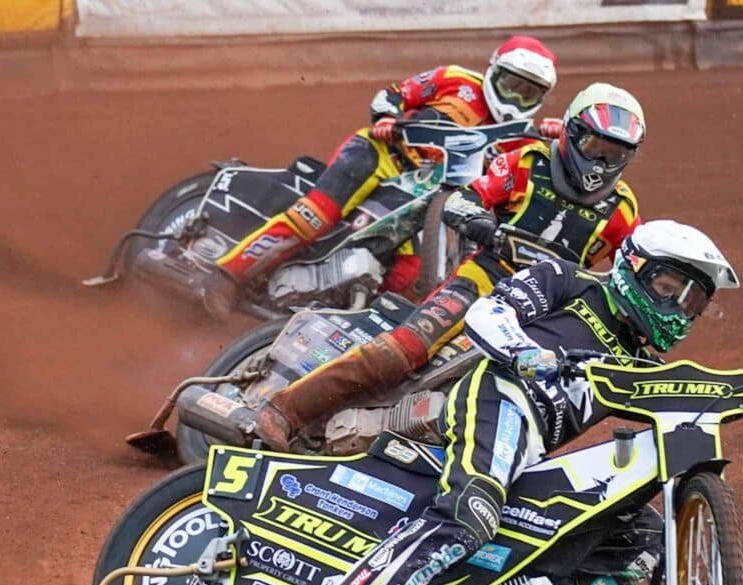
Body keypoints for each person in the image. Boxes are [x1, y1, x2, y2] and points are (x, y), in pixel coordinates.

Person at [283, 219, 743, 585]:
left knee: (640, 537)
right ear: (634, 268)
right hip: (499, 395)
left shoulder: (639, 362)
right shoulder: (568, 281)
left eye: (691, 302)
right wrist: (522, 350)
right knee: (470, 513)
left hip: (532, 447)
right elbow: (488, 312)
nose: (676, 308)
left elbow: (693, 393)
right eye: (669, 288)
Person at [252, 82, 647, 451]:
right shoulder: (527, 162)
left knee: (525, 399)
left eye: (615, 154)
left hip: (542, 314)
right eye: (595, 146)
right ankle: (284, 411)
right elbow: (465, 197)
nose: (601, 162)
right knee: (403, 350)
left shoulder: (622, 210)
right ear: (572, 132)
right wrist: (477, 220)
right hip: (484, 279)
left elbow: (634, 277)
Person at [203, 36, 559, 306]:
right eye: (511, 85)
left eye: (528, 94)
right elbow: (393, 94)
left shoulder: (521, 138)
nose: (516, 98)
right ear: (493, 70)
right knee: (315, 217)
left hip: (426, 192)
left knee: (410, 272)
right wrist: (387, 117)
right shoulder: (456, 80)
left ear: (541, 99)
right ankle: (226, 276)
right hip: (381, 155)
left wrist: (561, 136)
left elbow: (540, 168)